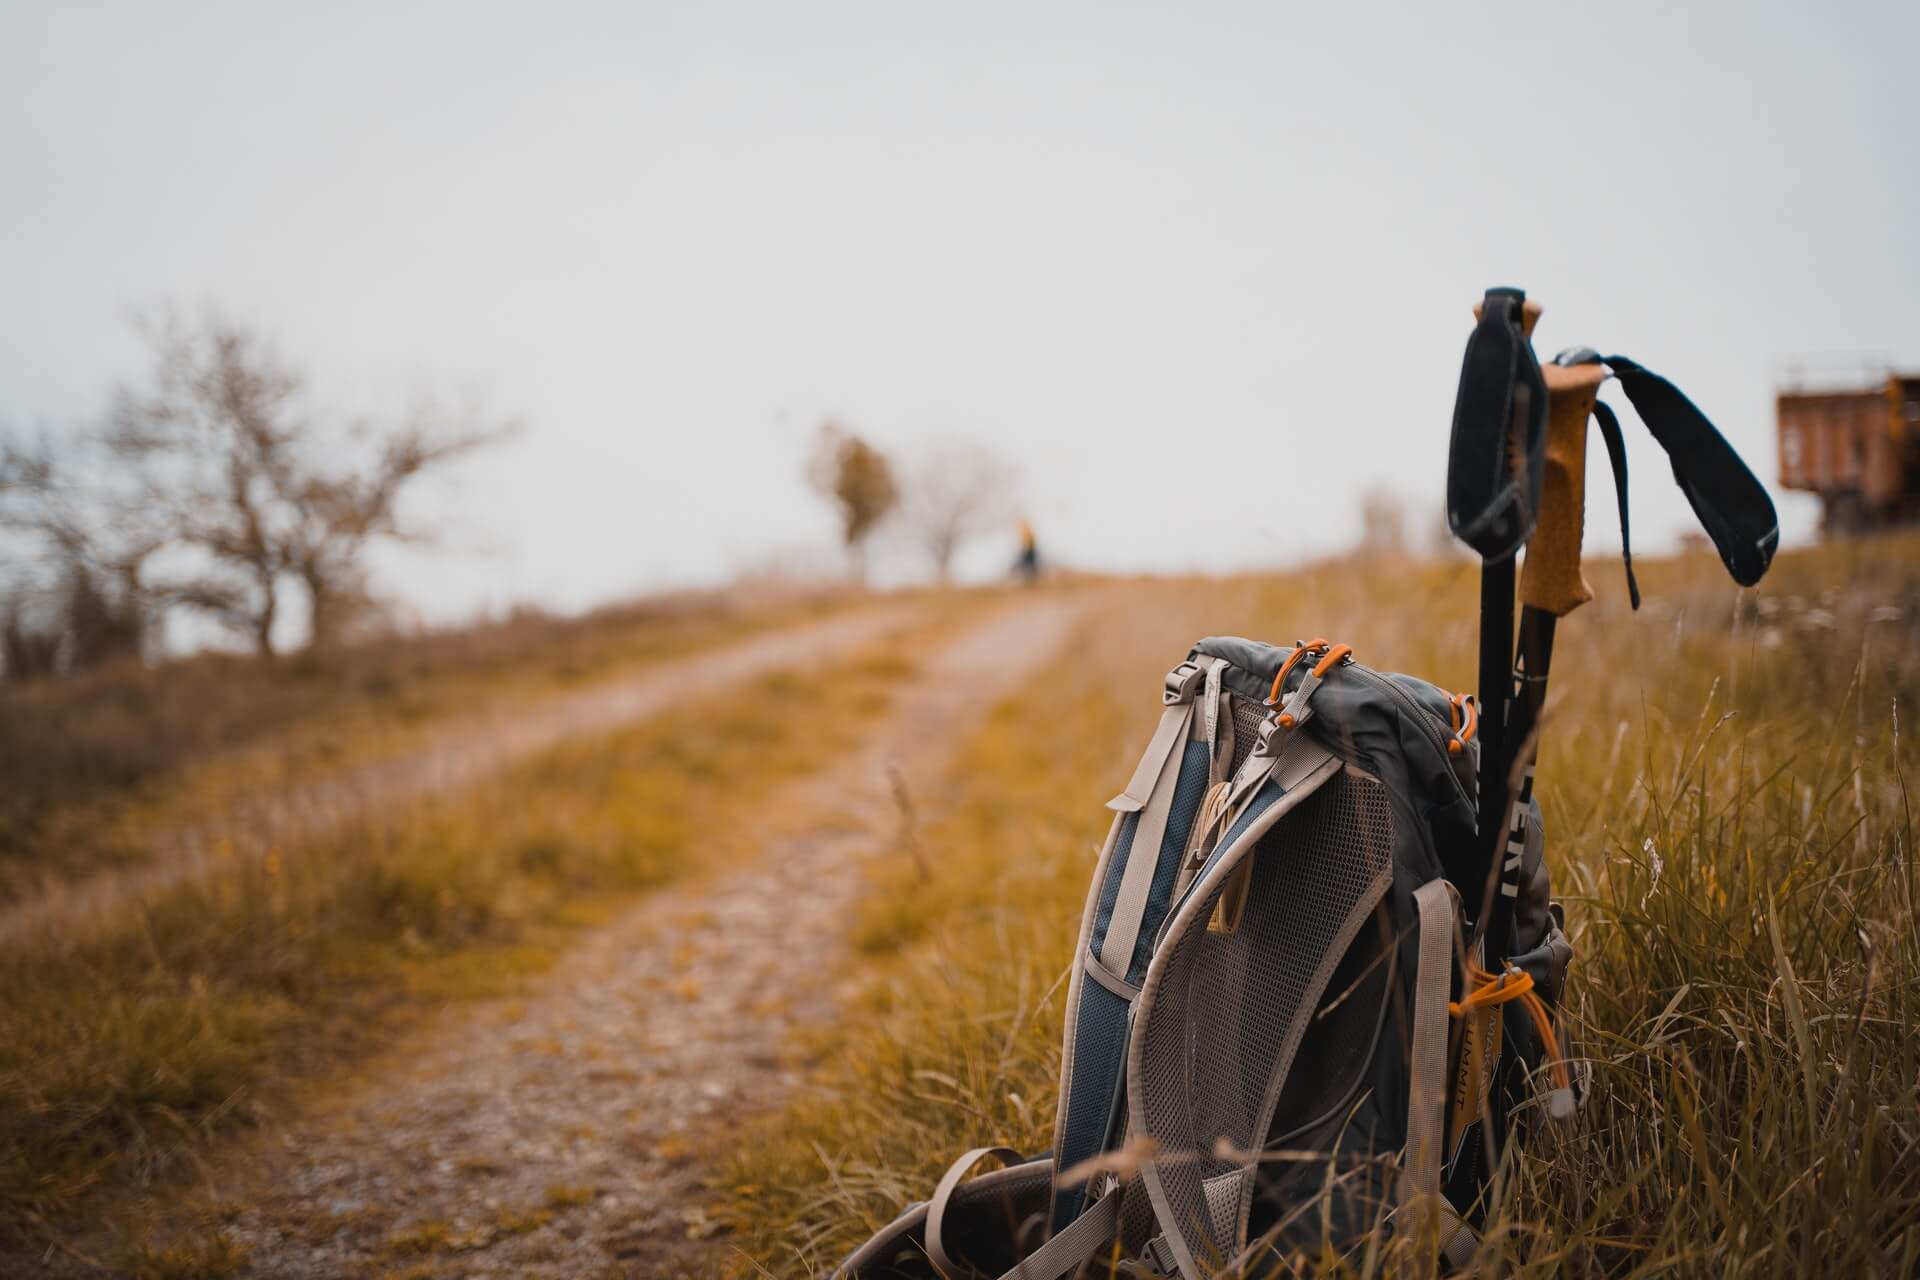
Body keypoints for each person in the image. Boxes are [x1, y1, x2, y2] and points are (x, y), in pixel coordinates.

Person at [1012, 518, 1039, 584]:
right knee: (1027, 567)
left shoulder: (1028, 532)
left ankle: (1030, 579)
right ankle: (1028, 579)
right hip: (1027, 552)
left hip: (1029, 552)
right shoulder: (1026, 532)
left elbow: (1029, 544)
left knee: (1029, 566)